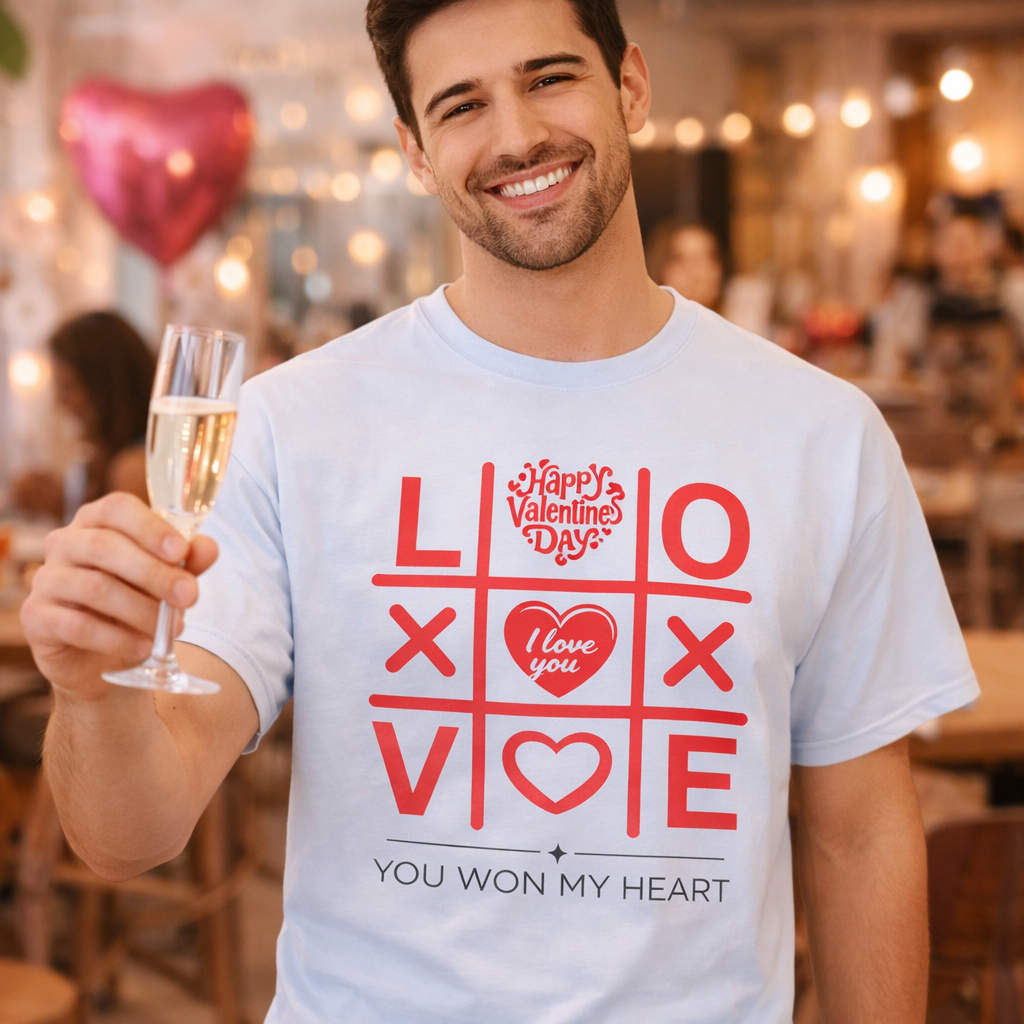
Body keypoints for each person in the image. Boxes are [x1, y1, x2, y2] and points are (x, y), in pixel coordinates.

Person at [23, 2, 977, 1022]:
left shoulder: (819, 434)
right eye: (461, 103)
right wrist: (94, 692)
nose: (517, 134)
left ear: (631, 88)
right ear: (416, 152)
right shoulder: (293, 424)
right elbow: (132, 833)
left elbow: (861, 833)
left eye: (549, 76)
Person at [11, 311, 154, 521]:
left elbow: (114, 553)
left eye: (68, 387)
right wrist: (60, 507)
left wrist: (65, 511)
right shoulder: (95, 462)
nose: (60, 402)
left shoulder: (134, 469)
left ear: (108, 389)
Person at [645, 218, 723, 310]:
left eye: (707, 259)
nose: (695, 272)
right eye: (680, 260)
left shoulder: (737, 321)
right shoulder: (637, 321)